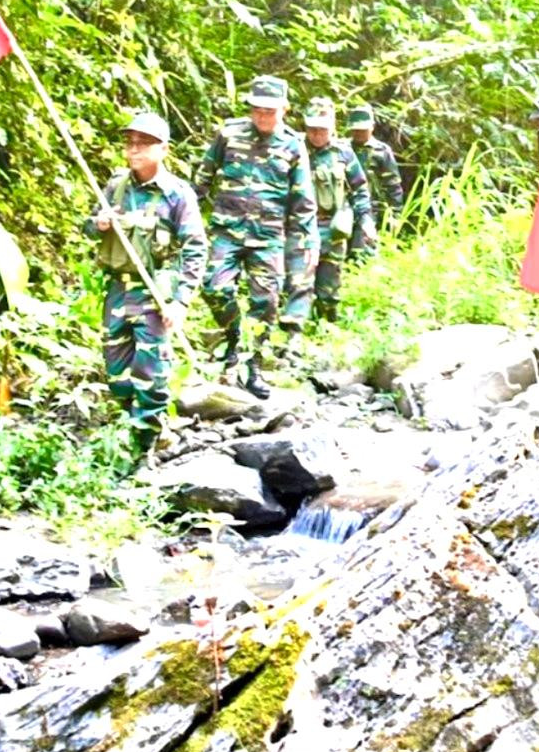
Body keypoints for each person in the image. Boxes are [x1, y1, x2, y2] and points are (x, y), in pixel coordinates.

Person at [89, 112, 207, 463]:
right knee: (116, 372)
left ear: (163, 149)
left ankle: (151, 446)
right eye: (130, 142)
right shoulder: (115, 187)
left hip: (155, 293)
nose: (134, 149)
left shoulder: (177, 195)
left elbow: (195, 248)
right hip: (117, 290)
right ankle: (137, 432)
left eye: (143, 143)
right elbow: (88, 228)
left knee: (151, 373)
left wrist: (181, 302)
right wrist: (99, 224)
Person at [194, 75, 314, 394]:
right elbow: (202, 179)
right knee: (214, 288)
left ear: (285, 110)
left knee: (265, 302)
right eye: (257, 109)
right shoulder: (229, 133)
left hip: (268, 236)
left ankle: (254, 367)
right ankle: (234, 339)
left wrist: (305, 244)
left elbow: (303, 202)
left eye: (270, 111)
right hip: (227, 231)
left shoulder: (293, 145)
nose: (262, 116)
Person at [284, 99, 375, 330]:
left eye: (322, 129)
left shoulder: (343, 153)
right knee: (298, 283)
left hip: (332, 229)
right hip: (300, 228)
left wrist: (365, 221)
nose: (316, 134)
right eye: (312, 128)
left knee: (329, 290)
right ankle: (293, 337)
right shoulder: (293, 148)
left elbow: (360, 188)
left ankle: (326, 330)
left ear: (333, 126)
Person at [344, 107, 403, 258]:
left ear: (372, 127)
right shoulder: (342, 148)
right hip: (344, 208)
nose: (358, 133)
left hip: (372, 209)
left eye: (363, 130)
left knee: (363, 254)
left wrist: (395, 214)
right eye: (355, 130)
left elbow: (393, 185)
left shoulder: (381, 151)